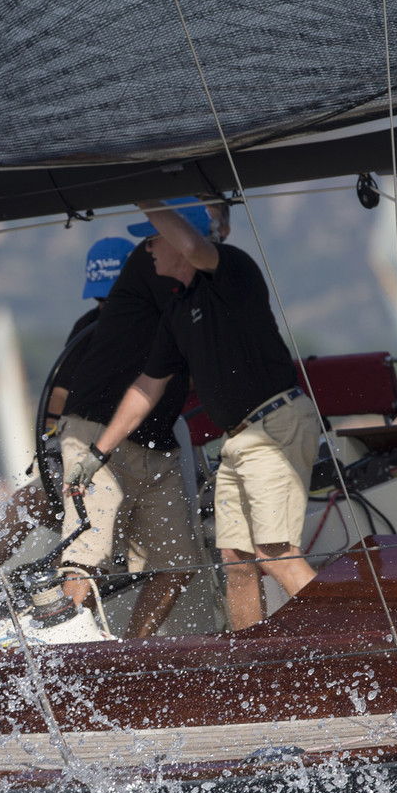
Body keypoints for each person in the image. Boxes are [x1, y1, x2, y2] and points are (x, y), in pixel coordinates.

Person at [72, 199, 320, 631]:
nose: (146, 250)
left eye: (152, 239)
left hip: (273, 425)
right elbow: (147, 387)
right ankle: (252, 666)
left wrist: (140, 193)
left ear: (175, 239)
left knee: (275, 553)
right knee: (236, 560)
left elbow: (193, 243)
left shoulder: (231, 273)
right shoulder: (177, 309)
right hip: (240, 438)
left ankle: (359, 645)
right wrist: (97, 452)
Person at [54, 204, 221, 639]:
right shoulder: (148, 269)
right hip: (96, 437)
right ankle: (67, 654)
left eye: (154, 236)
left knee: (180, 562)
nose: (146, 246)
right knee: (84, 557)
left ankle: (130, 653)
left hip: (154, 446)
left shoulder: (195, 289)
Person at [0, 236, 134, 589]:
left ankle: (53, 588)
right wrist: (52, 449)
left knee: (80, 529)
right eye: (100, 298)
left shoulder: (151, 325)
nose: (104, 306)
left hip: (133, 463)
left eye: (110, 297)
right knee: (27, 500)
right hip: (88, 457)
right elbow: (60, 392)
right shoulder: (88, 326)